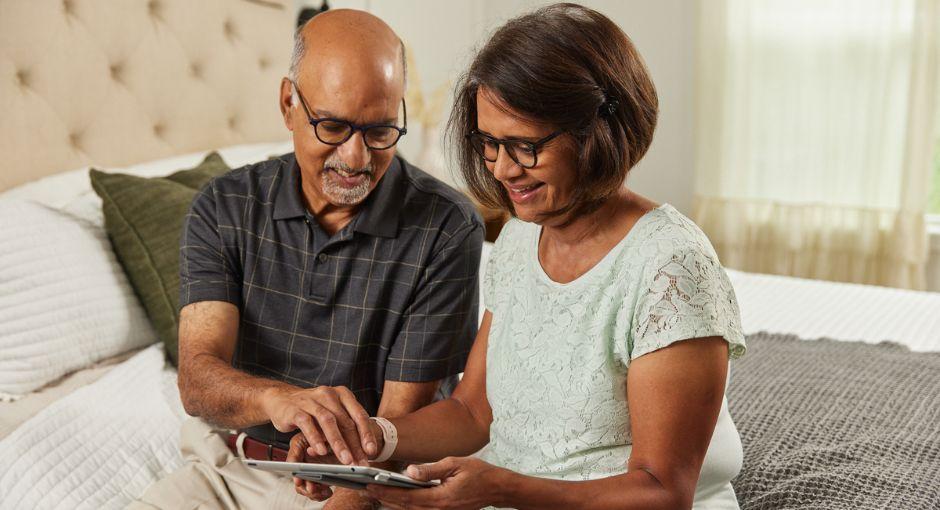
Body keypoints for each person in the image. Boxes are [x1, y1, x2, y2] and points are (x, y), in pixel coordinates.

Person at [290, 3, 748, 509]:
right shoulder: (517, 241)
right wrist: (365, 443)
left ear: (597, 133)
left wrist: (502, 487)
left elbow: (663, 492)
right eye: (490, 143)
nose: (504, 170)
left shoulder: (671, 266)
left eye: (525, 146)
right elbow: (471, 413)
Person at [131, 9, 484, 510]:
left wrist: (347, 489)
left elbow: (395, 437)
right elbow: (198, 380)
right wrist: (279, 400)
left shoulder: (447, 228)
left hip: (361, 481)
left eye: (380, 131)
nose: (357, 158)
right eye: (334, 127)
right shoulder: (223, 207)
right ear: (288, 105)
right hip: (227, 468)